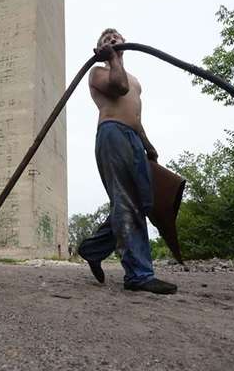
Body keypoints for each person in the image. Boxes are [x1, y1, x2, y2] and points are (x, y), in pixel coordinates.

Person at [77, 28, 177, 295]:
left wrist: (147, 143)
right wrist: (112, 60)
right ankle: (138, 274)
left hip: (133, 138)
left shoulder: (136, 80)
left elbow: (135, 115)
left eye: (116, 38)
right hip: (112, 135)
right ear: (99, 48)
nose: (111, 40)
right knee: (126, 202)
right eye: (106, 39)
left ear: (125, 43)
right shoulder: (98, 72)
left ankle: (93, 249)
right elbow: (119, 89)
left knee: (141, 202)